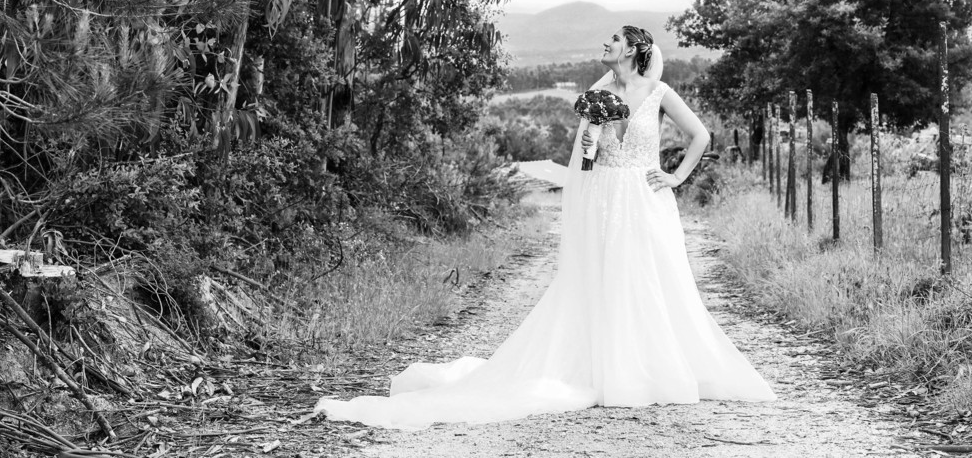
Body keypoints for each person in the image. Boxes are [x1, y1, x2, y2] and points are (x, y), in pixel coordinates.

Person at [315, 26, 775, 429]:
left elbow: (701, 135)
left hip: (645, 196)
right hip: (604, 197)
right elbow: (587, 159)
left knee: (650, 278)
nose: (606, 43)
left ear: (634, 49)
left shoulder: (659, 92)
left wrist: (676, 176)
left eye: (615, 39)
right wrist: (592, 141)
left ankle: (651, 366)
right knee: (603, 277)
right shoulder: (598, 95)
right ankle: (606, 367)